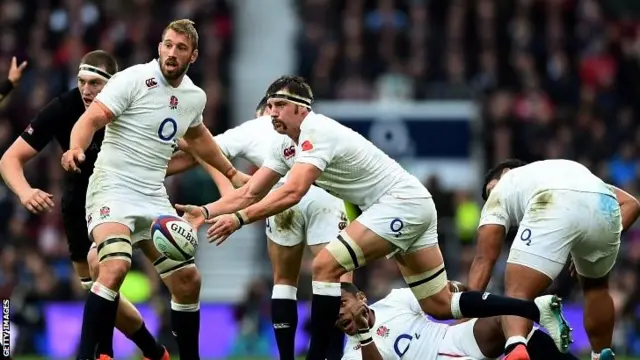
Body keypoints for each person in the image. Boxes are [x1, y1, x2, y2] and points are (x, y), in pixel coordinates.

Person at [177, 75, 571, 360]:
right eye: (271, 107)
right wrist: (208, 211)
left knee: (326, 264)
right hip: (411, 204)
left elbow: (293, 193)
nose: (272, 114)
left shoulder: (316, 130)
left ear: (300, 108)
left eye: (279, 106)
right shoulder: (286, 145)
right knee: (437, 304)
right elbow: (251, 190)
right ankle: (535, 309)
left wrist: (241, 219)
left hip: (398, 204)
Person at [59, 20, 246, 360]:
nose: (172, 53)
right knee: (114, 267)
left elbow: (198, 138)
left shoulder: (194, 96)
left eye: (181, 48)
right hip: (111, 188)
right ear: (159, 46)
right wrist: (75, 147)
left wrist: (232, 173)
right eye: (168, 45)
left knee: (189, 280)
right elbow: (90, 120)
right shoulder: (131, 79)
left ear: (194, 55)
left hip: (153, 195)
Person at [0, 50, 173, 360]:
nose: (86, 90)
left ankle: (99, 354)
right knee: (98, 289)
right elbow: (10, 158)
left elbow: (182, 146)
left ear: (114, 84)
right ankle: (154, 351)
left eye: (95, 83)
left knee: (103, 266)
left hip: (121, 200)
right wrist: (25, 192)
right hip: (77, 203)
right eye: (81, 82)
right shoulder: (63, 107)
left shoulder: (135, 104)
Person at [173, 96, 352, 360]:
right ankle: (335, 355)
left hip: (280, 198)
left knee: (283, 283)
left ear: (267, 108)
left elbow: (201, 150)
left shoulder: (252, 128)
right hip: (324, 196)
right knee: (339, 282)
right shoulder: (318, 124)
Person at [469, 159, 640, 360]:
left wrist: (466, 312)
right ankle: (601, 354)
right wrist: (601, 241)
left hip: (552, 201)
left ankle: (516, 349)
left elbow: (484, 259)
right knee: (596, 289)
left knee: (517, 291)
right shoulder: (561, 171)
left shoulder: (507, 183)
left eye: (490, 190)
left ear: (505, 172)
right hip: (603, 205)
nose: (491, 197)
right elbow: (631, 204)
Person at [338, 282, 581, 360]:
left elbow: (441, 296)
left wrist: (453, 290)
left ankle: (515, 348)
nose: (339, 314)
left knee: (506, 316)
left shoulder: (395, 299)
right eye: (333, 314)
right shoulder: (351, 352)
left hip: (451, 337)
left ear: (361, 297)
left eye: (342, 303)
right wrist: (364, 334)